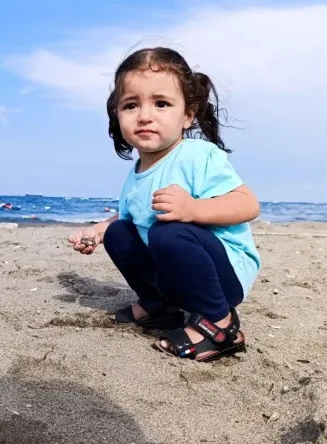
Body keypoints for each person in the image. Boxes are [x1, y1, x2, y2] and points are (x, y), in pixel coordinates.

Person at [67, 47, 262, 362]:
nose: (145, 115)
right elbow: (132, 215)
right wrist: (100, 229)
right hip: (177, 275)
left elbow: (248, 204)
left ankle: (221, 323)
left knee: (167, 231)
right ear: (117, 114)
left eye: (161, 104)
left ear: (187, 115)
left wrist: (194, 210)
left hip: (224, 275)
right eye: (131, 105)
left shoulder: (197, 155)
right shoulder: (136, 175)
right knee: (119, 231)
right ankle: (160, 306)